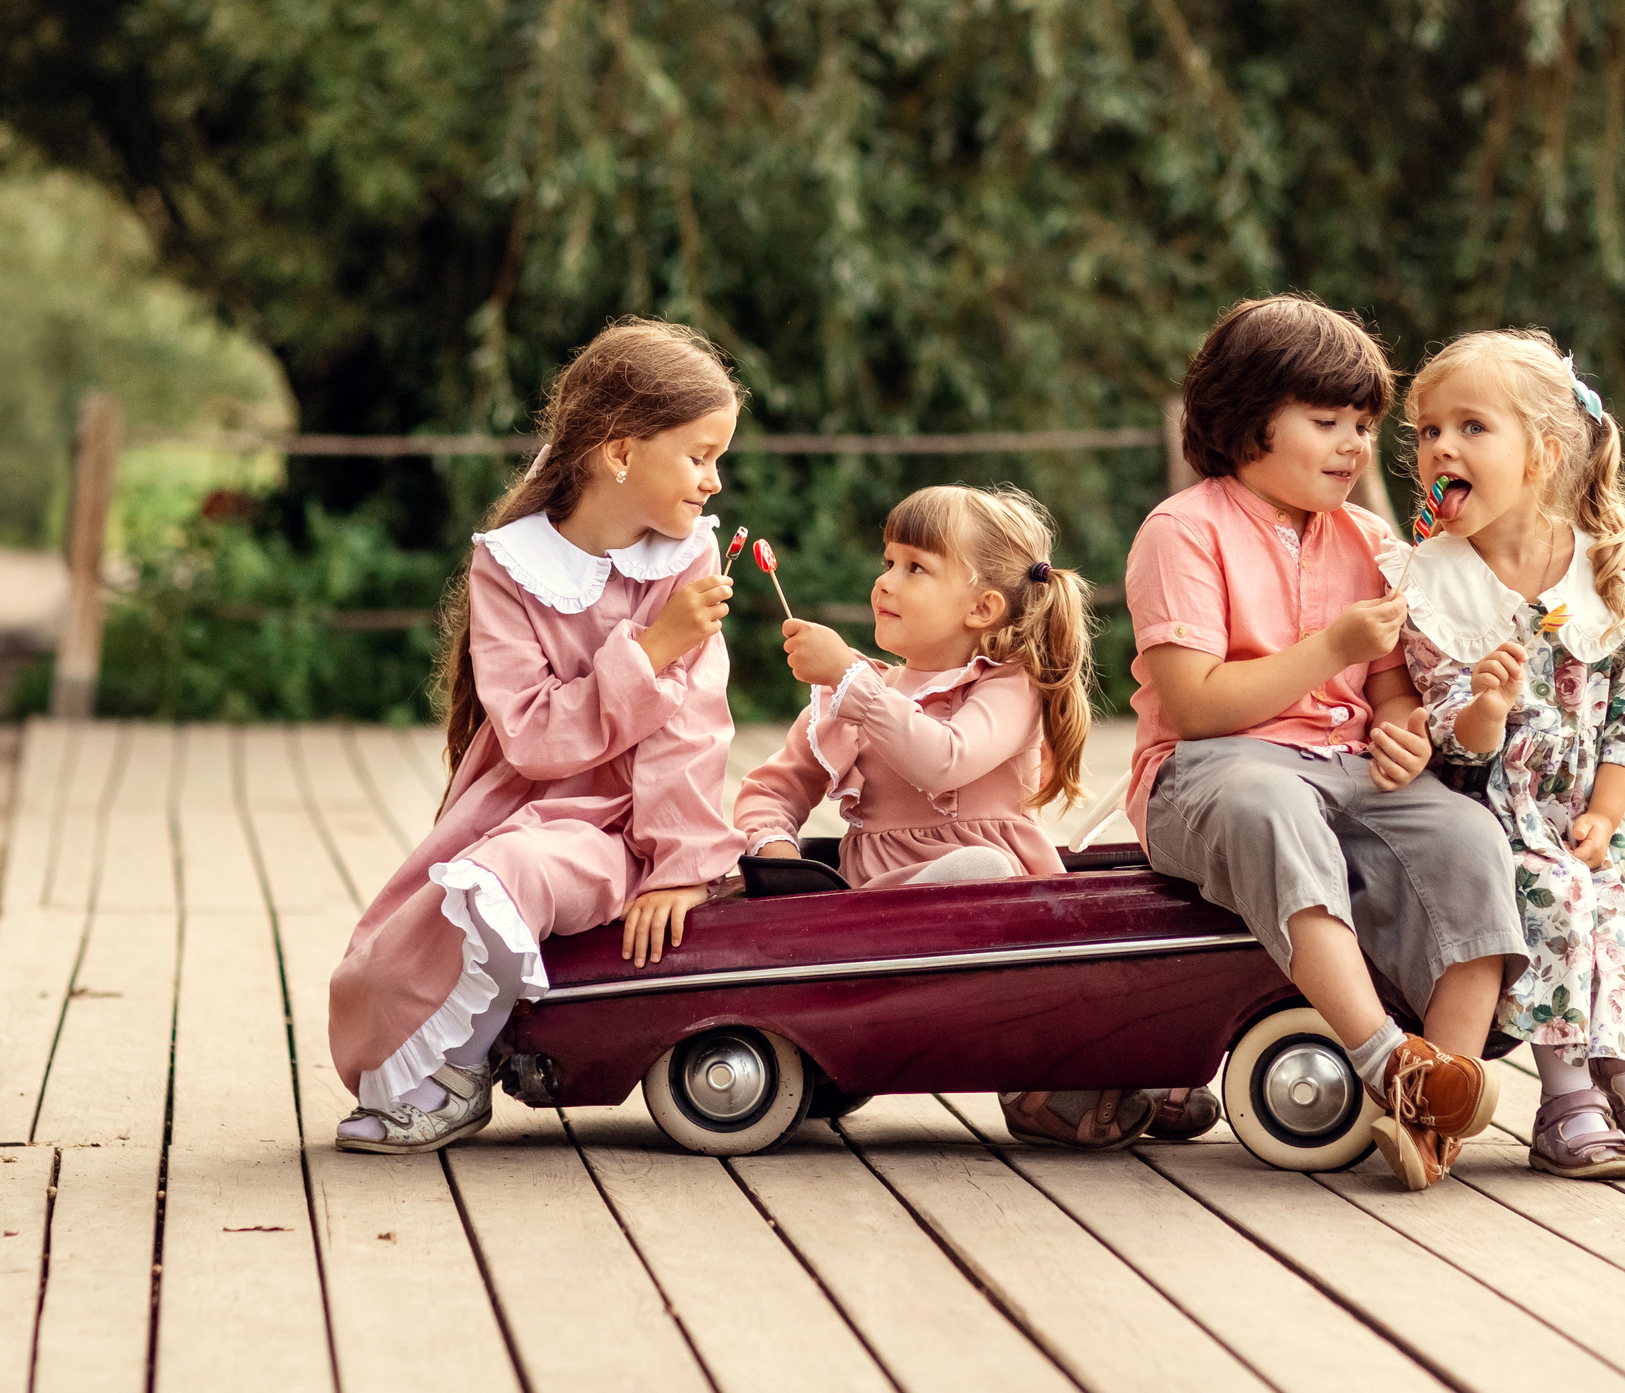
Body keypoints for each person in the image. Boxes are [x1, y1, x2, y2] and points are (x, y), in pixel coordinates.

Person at [1126, 296, 1523, 1190]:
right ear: (1246, 419)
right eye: (1326, 421)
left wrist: (1401, 734)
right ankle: (1388, 1058)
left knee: (1468, 838)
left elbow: (1389, 691)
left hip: (1343, 770)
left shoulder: (1371, 538)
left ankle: (1442, 1102)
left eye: (1363, 425)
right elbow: (1193, 706)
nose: (1353, 444)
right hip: (1211, 774)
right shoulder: (1183, 530)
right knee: (1268, 804)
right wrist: (1331, 647)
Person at [327, 319, 743, 1154]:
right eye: (698, 456)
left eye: (717, 458)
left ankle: (455, 1078)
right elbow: (530, 738)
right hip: (521, 803)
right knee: (390, 956)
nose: (714, 482)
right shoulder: (508, 566)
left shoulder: (691, 563)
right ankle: (431, 1069)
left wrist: (681, 866)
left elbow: (690, 730)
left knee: (513, 870)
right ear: (620, 454)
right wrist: (649, 649)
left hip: (622, 828)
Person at [736, 485, 1219, 1148]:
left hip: (1003, 914)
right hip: (878, 920)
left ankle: (1100, 1069)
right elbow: (771, 789)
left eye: (916, 567)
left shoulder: (1005, 687)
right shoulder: (851, 697)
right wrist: (776, 854)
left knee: (991, 878)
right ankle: (1038, 1079)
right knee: (965, 883)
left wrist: (853, 679)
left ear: (983, 607)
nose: (886, 580)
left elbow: (945, 758)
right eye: (888, 560)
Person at [1392, 328, 1625, 1180]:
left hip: (1588, 805)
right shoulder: (1435, 582)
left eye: (1471, 427)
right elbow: (1450, 730)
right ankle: (1564, 1093)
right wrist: (1485, 704)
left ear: (1544, 453)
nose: (1440, 447)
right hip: (1493, 812)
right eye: (1426, 431)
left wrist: (1606, 808)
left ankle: (1621, 1061)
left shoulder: (1615, 577)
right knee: (1553, 898)